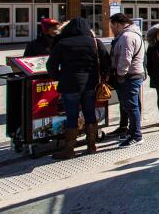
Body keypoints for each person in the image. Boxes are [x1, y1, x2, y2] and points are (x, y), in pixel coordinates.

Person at [46, 18, 111, 159]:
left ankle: (69, 150)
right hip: (90, 84)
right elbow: (106, 61)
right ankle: (91, 146)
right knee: (90, 114)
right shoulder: (94, 42)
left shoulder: (63, 43)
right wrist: (102, 76)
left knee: (72, 116)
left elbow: (51, 65)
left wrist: (58, 76)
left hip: (70, 85)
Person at [110, 13, 145, 147]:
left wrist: (120, 75)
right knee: (132, 105)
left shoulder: (127, 37)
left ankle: (136, 135)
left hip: (128, 76)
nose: (112, 29)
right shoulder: (133, 34)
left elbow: (125, 59)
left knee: (131, 106)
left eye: (112, 26)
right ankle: (132, 133)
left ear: (118, 24)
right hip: (132, 75)